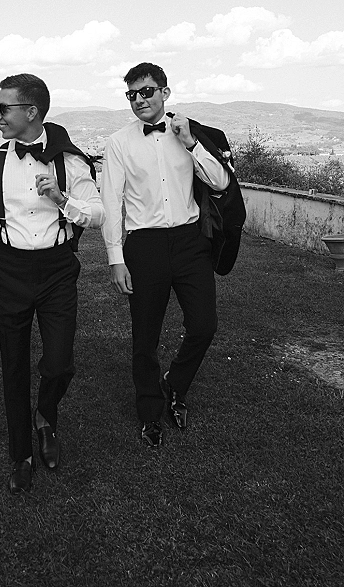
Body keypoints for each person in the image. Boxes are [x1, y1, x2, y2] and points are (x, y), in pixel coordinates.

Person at [0, 73, 105, 494]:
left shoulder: (70, 162)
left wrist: (62, 200)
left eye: (3, 108)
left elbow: (98, 213)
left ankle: (45, 416)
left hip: (57, 270)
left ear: (31, 112)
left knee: (59, 362)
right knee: (13, 365)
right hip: (8, 270)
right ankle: (20, 453)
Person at [100, 62, 230, 447]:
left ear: (164, 93)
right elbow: (111, 201)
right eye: (132, 94)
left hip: (191, 243)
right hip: (145, 246)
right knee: (145, 337)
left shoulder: (188, 133)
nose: (140, 100)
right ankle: (149, 411)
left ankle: (176, 384)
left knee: (204, 325)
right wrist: (115, 257)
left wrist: (191, 143)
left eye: (147, 91)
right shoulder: (119, 142)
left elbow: (221, 182)